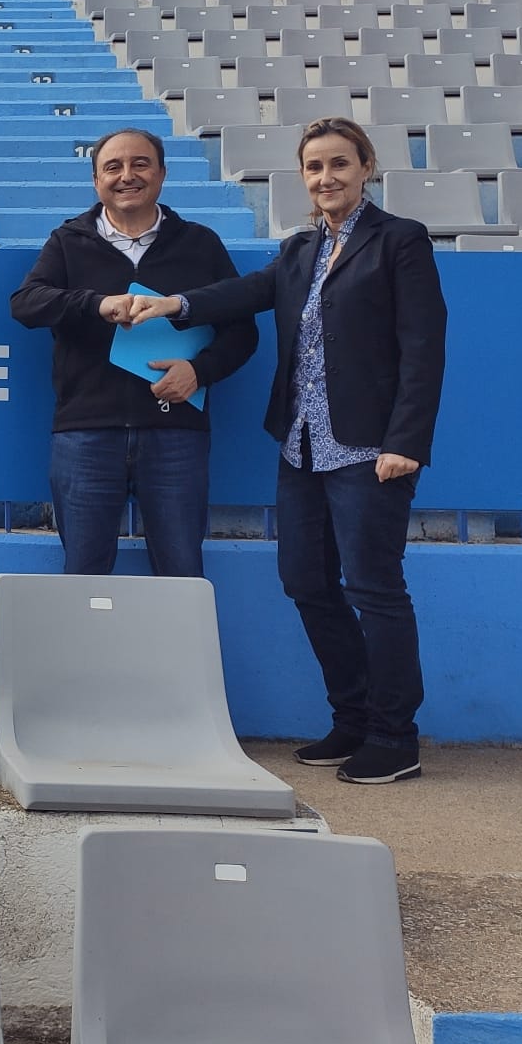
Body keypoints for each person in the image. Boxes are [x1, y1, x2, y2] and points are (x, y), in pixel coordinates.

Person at [129, 117, 447, 785]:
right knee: (305, 581)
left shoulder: (400, 241)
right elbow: (246, 292)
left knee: (375, 589)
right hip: (301, 443)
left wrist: (405, 443)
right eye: (314, 167)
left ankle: (395, 737)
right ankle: (353, 717)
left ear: (365, 167)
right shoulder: (300, 248)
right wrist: (175, 304)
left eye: (339, 164)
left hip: (368, 448)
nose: (326, 178)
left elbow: (423, 346)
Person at [9, 128, 259, 576]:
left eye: (140, 164)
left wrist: (199, 372)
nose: (127, 176)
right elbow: (25, 304)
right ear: (96, 181)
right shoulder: (68, 241)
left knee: (181, 574)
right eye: (113, 167)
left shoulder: (200, 244)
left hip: (176, 434)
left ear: (162, 173)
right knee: (83, 575)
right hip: (86, 434)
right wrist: (96, 304)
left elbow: (242, 331)